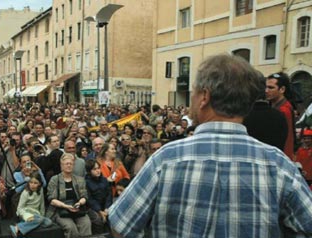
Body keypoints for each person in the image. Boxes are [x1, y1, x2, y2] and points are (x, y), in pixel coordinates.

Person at [108, 54, 312, 237]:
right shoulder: (278, 164)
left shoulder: (166, 159)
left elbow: (120, 226)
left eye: (193, 93)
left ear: (204, 97)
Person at [46, 153, 92, 238]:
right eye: (66, 164)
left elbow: (84, 196)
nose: (69, 166)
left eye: (71, 164)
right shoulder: (55, 179)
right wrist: (66, 206)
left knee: (86, 223)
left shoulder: (79, 179)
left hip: (77, 208)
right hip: (60, 210)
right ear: (61, 165)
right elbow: (51, 200)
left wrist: (79, 203)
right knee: (70, 227)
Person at [10, 171, 52, 238]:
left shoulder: (40, 190)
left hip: (36, 215)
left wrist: (42, 215)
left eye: (35, 183)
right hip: (26, 215)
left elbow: (42, 204)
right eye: (31, 182)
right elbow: (19, 208)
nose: (32, 185)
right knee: (39, 220)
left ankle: (24, 226)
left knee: (48, 222)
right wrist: (25, 215)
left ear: (39, 184)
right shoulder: (25, 193)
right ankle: (17, 227)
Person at [266, 72, 295, 159]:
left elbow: (287, 139)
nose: (266, 91)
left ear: (282, 89)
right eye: (266, 87)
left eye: (271, 88)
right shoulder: (276, 106)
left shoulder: (284, 110)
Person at [85, 159, 112, 234]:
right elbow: (90, 199)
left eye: (98, 168)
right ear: (89, 171)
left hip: (105, 206)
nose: (98, 171)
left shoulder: (104, 179)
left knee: (112, 216)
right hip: (93, 207)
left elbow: (109, 194)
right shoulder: (86, 182)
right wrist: (100, 211)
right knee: (98, 220)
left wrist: (107, 208)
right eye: (94, 169)